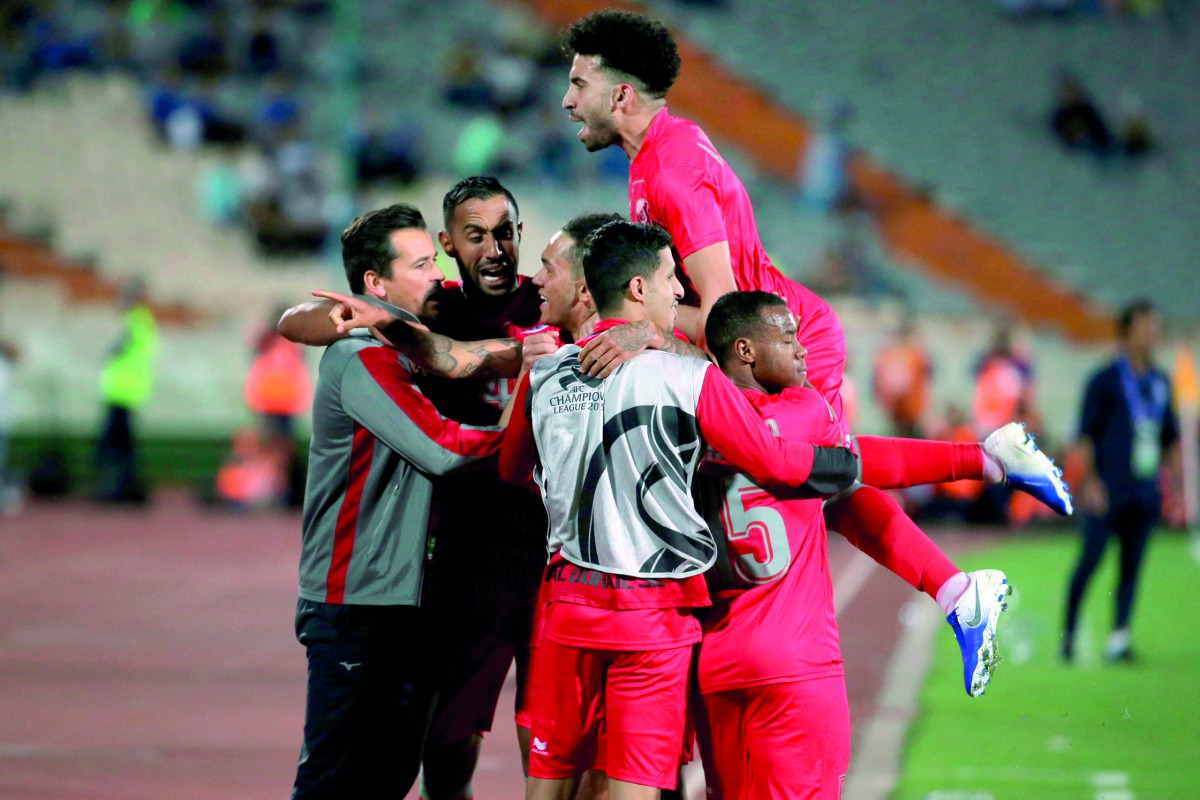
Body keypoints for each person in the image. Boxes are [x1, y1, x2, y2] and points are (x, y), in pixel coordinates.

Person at [557, 8, 1071, 689]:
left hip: (776, 341)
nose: (566, 100)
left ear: (620, 93)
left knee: (808, 470)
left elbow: (720, 304)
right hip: (758, 336)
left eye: (577, 83)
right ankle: (959, 581)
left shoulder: (671, 171)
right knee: (809, 477)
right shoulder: (661, 151)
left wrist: (644, 330)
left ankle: (988, 468)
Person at [500, 221, 860, 800]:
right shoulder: (692, 377)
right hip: (652, 616)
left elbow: (509, 471)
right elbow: (772, 459)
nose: (680, 294)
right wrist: (842, 463)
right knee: (635, 787)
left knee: (550, 786)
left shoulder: (543, 375)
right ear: (639, 288)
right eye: (671, 280)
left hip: (566, 608)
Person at [695, 291, 1008, 798]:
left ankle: (957, 590)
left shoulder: (689, 416)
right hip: (795, 663)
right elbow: (867, 463)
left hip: (715, 660)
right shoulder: (802, 408)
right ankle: (958, 587)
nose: (802, 352)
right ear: (747, 349)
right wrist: (975, 460)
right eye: (788, 338)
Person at [288, 203, 507, 799]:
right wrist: (532, 423)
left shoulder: (404, 351)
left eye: (434, 260)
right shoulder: (363, 358)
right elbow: (446, 450)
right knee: (336, 782)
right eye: (420, 264)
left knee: (386, 778)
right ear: (375, 285)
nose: (437, 272)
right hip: (357, 601)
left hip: (403, 599)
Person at [1063, 299, 1179, 663]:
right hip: (1108, 487)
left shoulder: (1160, 382)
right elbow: (1084, 436)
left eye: (1156, 327)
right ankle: (1069, 633)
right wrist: (1091, 482)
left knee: (1132, 565)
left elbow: (1169, 437)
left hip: (1144, 489)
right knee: (1090, 559)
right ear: (1127, 331)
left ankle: (1119, 638)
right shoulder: (1104, 379)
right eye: (1146, 326)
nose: (1153, 334)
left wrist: (1175, 485)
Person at [95, 277, 157, 504]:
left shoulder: (135, 320)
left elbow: (116, 349)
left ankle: (120, 488)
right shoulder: (139, 320)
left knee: (115, 445)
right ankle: (123, 486)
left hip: (123, 391)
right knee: (121, 443)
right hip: (125, 391)